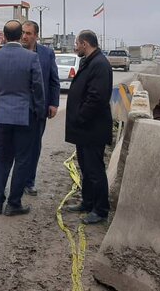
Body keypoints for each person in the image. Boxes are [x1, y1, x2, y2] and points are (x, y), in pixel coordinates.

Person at [0, 20, 45, 216]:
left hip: (2, 116)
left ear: (4, 36)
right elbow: (38, 88)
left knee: (2, 158)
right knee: (22, 160)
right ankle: (14, 203)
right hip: (25, 116)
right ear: (21, 34)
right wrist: (39, 111)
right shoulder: (31, 57)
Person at [65, 30, 113, 224]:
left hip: (92, 128)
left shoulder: (100, 64)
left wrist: (80, 117)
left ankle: (100, 210)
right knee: (85, 168)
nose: (75, 47)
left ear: (84, 44)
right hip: (85, 129)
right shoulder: (91, 61)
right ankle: (88, 202)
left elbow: (96, 98)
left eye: (77, 43)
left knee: (95, 170)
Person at [21, 20, 60, 196]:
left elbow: (53, 80)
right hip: (19, 109)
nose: (24, 36)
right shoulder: (16, 52)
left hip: (39, 110)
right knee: (17, 147)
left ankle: (29, 181)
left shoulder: (47, 54)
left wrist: (53, 103)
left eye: (29, 33)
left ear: (36, 35)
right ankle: (16, 181)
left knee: (34, 146)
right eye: (23, 32)